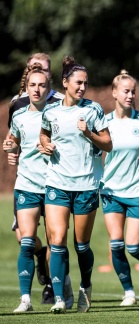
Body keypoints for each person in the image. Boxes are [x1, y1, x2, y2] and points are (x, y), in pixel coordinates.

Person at [40, 56, 113, 313]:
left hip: (86, 185)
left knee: (81, 245)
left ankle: (85, 286)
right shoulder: (51, 111)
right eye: (78, 83)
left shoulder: (93, 110)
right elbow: (45, 132)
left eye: (85, 83)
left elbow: (108, 144)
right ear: (65, 83)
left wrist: (88, 134)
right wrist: (45, 144)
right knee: (57, 240)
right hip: (57, 183)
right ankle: (60, 297)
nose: (82, 87)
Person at [7, 52, 64, 305]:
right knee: (25, 239)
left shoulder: (61, 108)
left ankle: (54, 287)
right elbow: (14, 140)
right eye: (33, 84)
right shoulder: (17, 109)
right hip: (27, 184)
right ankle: (25, 298)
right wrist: (10, 149)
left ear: (49, 81)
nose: (37, 89)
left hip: (54, 184)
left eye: (42, 83)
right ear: (26, 83)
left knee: (57, 240)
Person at [100, 70, 139, 306]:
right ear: (114, 93)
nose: (131, 95)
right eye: (126, 91)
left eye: (133, 91)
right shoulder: (103, 122)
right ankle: (129, 292)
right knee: (116, 243)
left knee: (133, 246)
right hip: (112, 191)